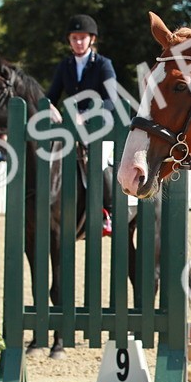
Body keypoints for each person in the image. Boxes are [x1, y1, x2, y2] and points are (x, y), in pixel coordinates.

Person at [47, 14, 119, 236]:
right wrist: (49, 106)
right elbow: (51, 95)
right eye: (74, 38)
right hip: (71, 126)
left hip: (100, 125)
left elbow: (111, 99)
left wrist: (86, 115)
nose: (78, 42)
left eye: (82, 38)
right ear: (69, 40)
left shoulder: (104, 64)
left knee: (98, 160)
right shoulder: (65, 66)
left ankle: (110, 212)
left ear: (91, 40)